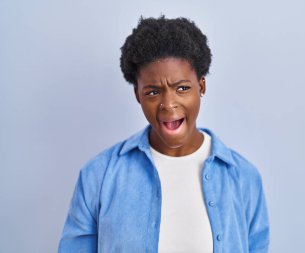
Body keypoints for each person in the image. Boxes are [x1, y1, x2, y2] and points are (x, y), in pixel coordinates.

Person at [58, 16, 269, 253]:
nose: (168, 104)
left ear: (201, 86)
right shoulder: (98, 176)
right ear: (137, 95)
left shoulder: (243, 178)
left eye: (182, 88)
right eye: (153, 92)